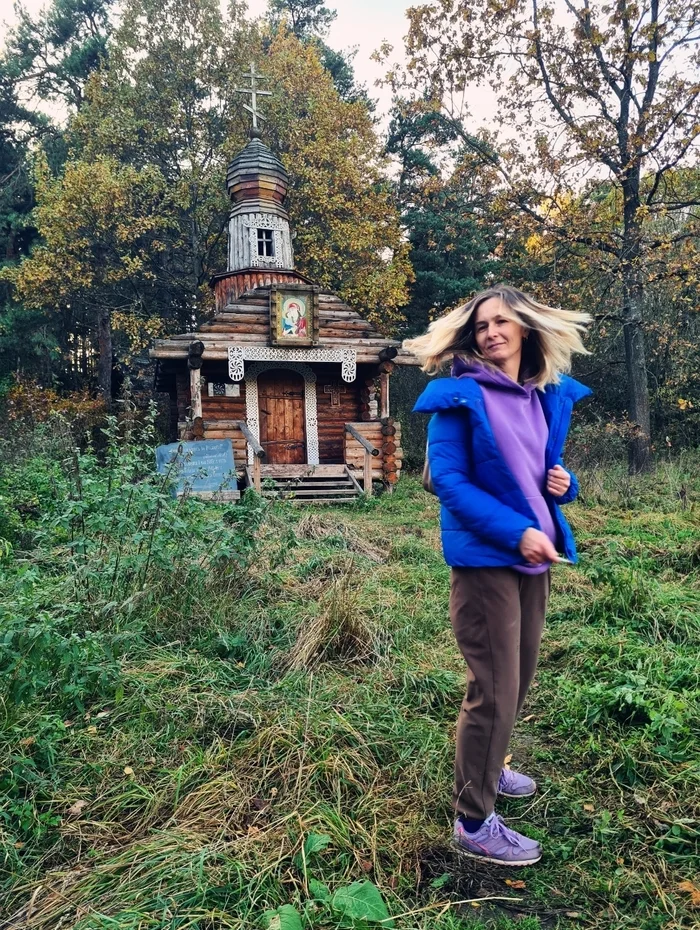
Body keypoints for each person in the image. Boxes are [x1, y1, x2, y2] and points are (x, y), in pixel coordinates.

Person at [405, 284, 591, 867]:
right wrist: (514, 532)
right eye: (481, 325)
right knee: (494, 690)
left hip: (535, 557)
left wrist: (564, 483)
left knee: (520, 676)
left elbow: (537, 471)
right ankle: (474, 820)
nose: (491, 332)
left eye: (502, 322)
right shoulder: (458, 396)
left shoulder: (540, 396)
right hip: (488, 559)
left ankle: (494, 764)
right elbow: (448, 484)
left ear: (527, 329)